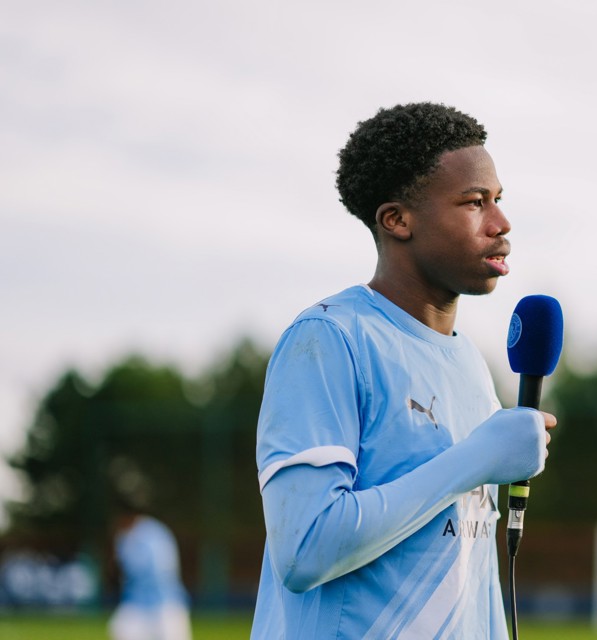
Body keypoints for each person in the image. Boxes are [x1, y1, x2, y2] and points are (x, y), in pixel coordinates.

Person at [251, 102, 556, 639]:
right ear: (397, 220)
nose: (501, 223)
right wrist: (475, 460)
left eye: (499, 201)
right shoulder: (329, 338)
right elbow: (304, 549)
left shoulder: (469, 365)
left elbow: (472, 573)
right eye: (474, 202)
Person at [108, 499, 192, 640]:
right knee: (120, 629)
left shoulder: (152, 534)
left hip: (165, 602)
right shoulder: (124, 535)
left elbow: (158, 571)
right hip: (136, 602)